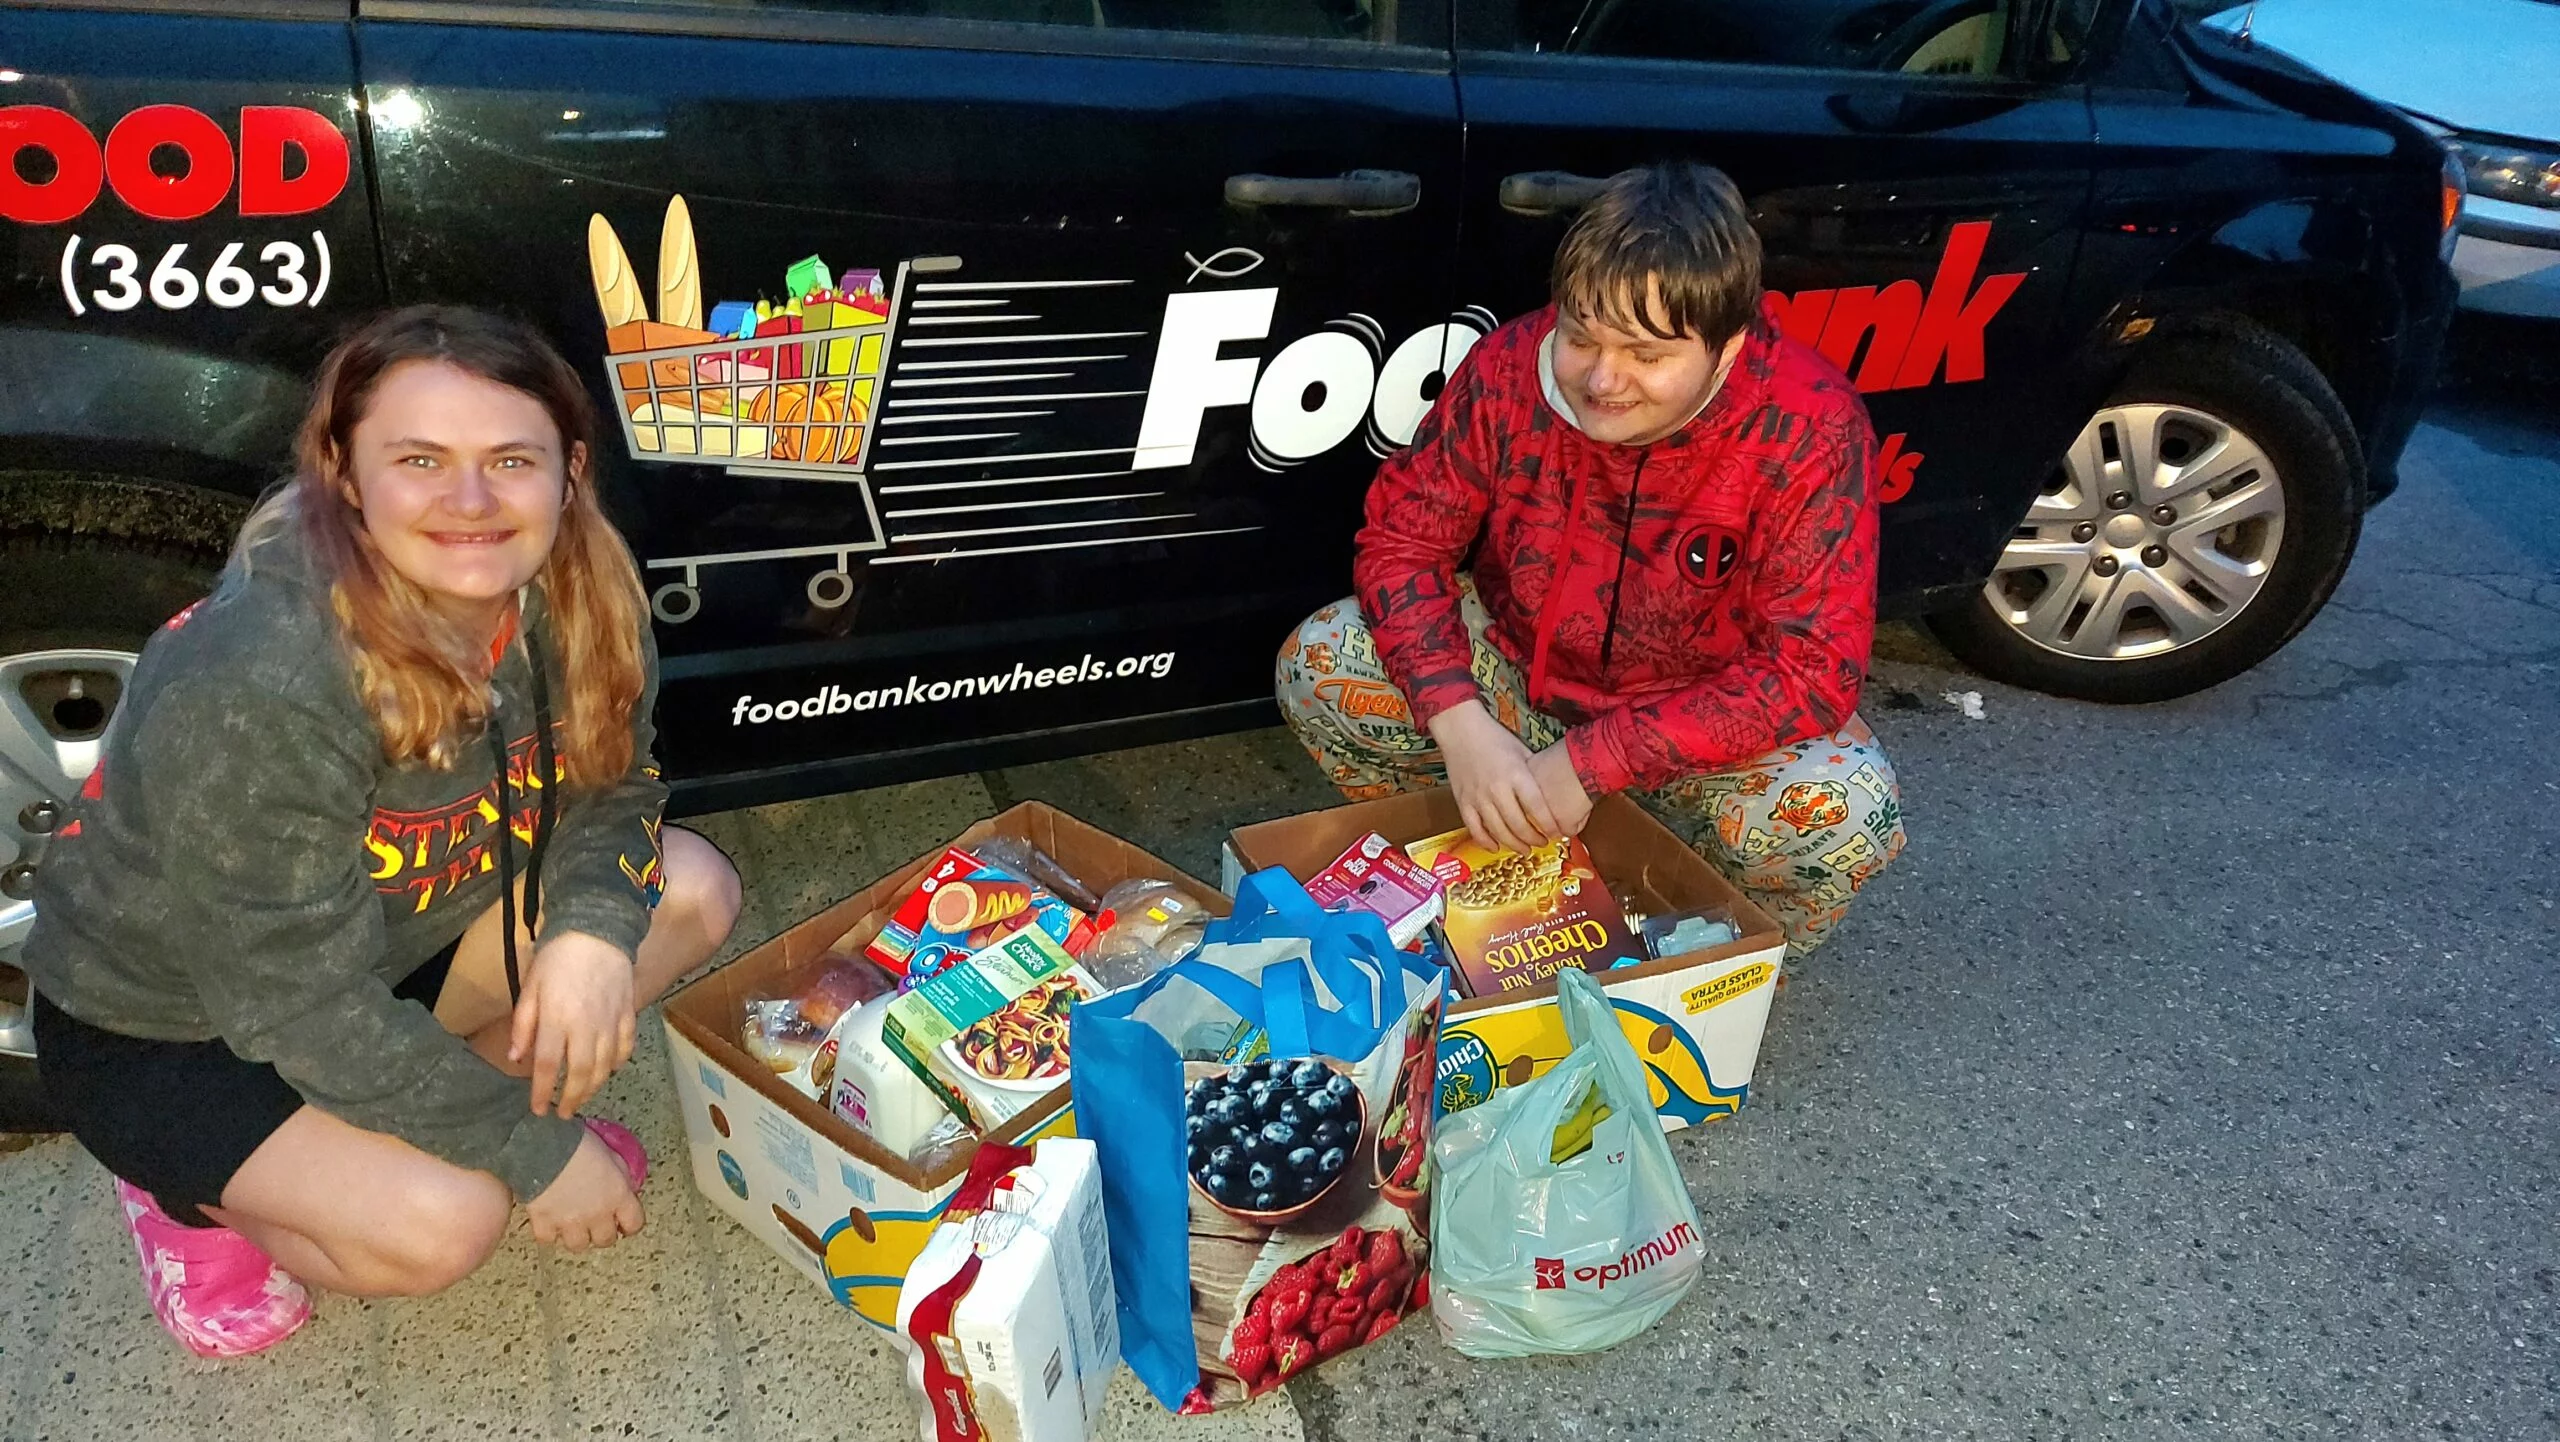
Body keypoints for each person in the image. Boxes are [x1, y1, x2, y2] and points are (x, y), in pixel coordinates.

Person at [21, 306, 743, 1358]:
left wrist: (588, 931)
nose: (471, 501)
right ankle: (182, 1196)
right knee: (444, 1225)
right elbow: (298, 1002)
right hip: (172, 1028)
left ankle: (427, 1112)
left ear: (569, 468)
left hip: (391, 947)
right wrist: (533, 1148)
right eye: (420, 459)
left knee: (683, 891)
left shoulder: (581, 590)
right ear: (345, 474)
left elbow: (615, 788)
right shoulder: (261, 679)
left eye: (510, 458)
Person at [1277, 162, 1905, 955]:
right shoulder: (1508, 367)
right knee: (1323, 661)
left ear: (1727, 346)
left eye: (1647, 355)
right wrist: (1462, 727)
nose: (1604, 378)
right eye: (1581, 337)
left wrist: (1594, 762)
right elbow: (1403, 542)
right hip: (1523, 682)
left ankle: (1711, 962)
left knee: (1842, 805)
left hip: (1699, 726)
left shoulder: (1810, 425)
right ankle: (1482, 880)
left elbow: (1814, 665)